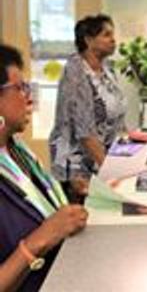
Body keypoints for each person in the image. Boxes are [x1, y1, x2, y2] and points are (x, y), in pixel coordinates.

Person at [0, 44, 87, 292]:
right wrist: (37, 241)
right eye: (20, 88)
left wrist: (72, 193)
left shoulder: (16, 151)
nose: (29, 97)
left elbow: (34, 204)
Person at [49, 14, 126, 200]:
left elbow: (115, 113)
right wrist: (113, 172)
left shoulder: (107, 68)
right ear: (89, 40)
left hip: (101, 160)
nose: (113, 39)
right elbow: (85, 133)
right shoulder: (76, 73)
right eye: (106, 34)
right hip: (77, 167)